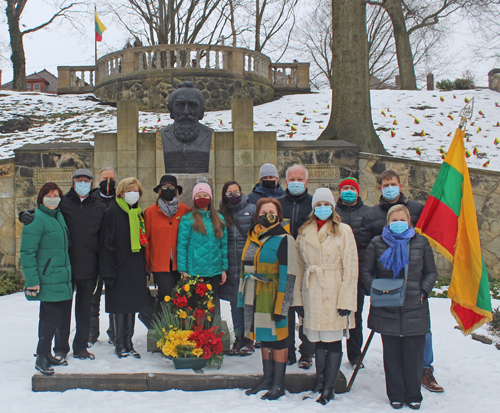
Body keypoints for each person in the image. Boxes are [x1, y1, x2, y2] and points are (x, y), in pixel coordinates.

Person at [358, 170, 443, 392]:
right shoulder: (372, 216)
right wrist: (375, 288)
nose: (389, 187)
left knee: (420, 334)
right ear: (380, 187)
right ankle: (396, 389)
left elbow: (429, 265)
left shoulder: (417, 210)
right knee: (392, 345)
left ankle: (425, 370)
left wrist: (423, 290)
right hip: (387, 292)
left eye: (393, 184)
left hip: (414, 292)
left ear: (400, 184)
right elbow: (366, 256)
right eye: (385, 184)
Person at [20, 169, 106, 361]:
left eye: (86, 180)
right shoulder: (63, 203)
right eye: (78, 180)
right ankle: (60, 347)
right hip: (64, 268)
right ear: (73, 183)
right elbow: (42, 213)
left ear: (91, 183)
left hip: (89, 267)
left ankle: (81, 346)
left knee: (85, 310)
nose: (82, 183)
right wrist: (23, 214)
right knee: (62, 311)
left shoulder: (99, 207)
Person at [296, 188, 358, 405]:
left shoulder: (344, 230)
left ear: (333, 207)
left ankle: (329, 388)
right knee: (318, 341)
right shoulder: (304, 231)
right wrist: (299, 300)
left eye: (326, 204)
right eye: (318, 205)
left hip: (334, 291)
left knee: (332, 341)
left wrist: (347, 301)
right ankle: (319, 383)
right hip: (312, 291)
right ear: (313, 208)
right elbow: (299, 266)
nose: (322, 208)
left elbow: (351, 267)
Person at [239, 198, 299, 400]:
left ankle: (279, 384)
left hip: (274, 294)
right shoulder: (253, 236)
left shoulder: (284, 238)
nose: (267, 215)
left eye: (271, 211)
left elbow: (289, 274)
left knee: (279, 340)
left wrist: (282, 303)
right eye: (263, 212)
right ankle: (267, 378)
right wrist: (243, 295)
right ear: (257, 215)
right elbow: (245, 268)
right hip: (255, 294)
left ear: (279, 216)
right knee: (264, 337)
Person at [20, 183, 73, 376]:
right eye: (49, 195)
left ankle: (46, 353)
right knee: (51, 318)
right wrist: (32, 280)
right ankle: (42, 357)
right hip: (48, 278)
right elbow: (27, 252)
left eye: (56, 195)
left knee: (50, 317)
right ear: (41, 197)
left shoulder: (58, 216)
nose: (53, 198)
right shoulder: (37, 219)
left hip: (60, 277)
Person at [99, 177, 149, 358]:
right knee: (120, 307)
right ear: (121, 193)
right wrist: (108, 272)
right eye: (128, 191)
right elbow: (106, 244)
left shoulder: (138, 213)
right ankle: (119, 343)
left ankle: (129, 342)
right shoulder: (113, 212)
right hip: (118, 267)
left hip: (135, 267)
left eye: (135, 191)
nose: (132, 194)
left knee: (132, 307)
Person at [277, 164, 314, 369]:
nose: (296, 183)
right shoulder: (278, 204)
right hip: (284, 263)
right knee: (286, 310)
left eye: (300, 180)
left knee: (306, 309)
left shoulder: (314, 205)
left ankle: (307, 352)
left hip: (308, 265)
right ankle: (288, 351)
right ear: (285, 182)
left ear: (307, 182)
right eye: (292, 180)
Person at [335, 177, 370, 368]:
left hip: (358, 272)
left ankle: (355, 354)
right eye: (345, 188)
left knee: (355, 314)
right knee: (334, 314)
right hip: (336, 272)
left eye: (352, 188)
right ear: (339, 191)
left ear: (358, 191)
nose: (348, 191)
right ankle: (332, 352)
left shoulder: (368, 213)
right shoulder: (333, 212)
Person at [218, 181, 256, 356]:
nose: (233, 195)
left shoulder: (253, 210)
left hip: (248, 264)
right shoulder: (220, 215)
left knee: (249, 304)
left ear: (241, 192)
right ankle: (239, 338)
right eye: (229, 192)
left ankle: (249, 340)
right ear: (224, 195)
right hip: (231, 265)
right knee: (235, 304)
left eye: (236, 191)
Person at [177, 181, 228, 301]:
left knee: (211, 307)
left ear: (210, 197)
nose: (202, 198)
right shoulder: (187, 219)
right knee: (197, 308)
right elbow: (182, 246)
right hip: (195, 272)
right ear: (194, 198)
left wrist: (224, 268)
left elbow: (223, 245)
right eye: (198, 196)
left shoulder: (219, 219)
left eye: (205, 195)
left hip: (214, 271)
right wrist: (183, 270)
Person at [144, 175, 190, 302]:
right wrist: (147, 264)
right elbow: (146, 240)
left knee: (182, 298)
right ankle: (165, 322)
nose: (168, 189)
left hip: (180, 264)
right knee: (167, 297)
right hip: (159, 264)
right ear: (159, 190)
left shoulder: (185, 210)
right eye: (164, 187)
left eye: (171, 187)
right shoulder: (150, 212)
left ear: (176, 190)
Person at [89, 167, 118, 346]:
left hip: (114, 256)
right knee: (93, 298)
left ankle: (114, 332)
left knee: (114, 297)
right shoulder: (91, 200)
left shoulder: (120, 200)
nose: (108, 181)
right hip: (94, 256)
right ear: (99, 180)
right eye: (105, 178)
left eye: (112, 178)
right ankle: (91, 333)